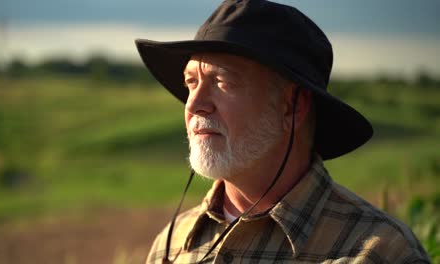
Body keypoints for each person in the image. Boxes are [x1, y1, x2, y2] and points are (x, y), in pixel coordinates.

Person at [135, 0, 429, 263]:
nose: (194, 105)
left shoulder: (381, 252)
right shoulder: (170, 246)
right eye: (191, 83)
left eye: (221, 81)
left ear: (292, 106)